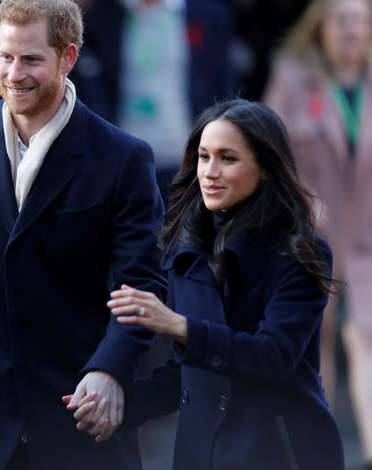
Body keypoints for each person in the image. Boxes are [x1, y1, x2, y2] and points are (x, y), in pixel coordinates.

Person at [0, 1, 167, 469]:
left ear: (68, 58)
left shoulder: (123, 159)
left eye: (31, 60)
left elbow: (140, 286)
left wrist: (110, 369)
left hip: (80, 418)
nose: (14, 73)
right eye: (5, 57)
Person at [69, 100, 345, 469]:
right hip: (201, 453)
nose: (210, 172)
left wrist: (178, 326)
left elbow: (273, 358)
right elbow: (192, 377)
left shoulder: (298, 252)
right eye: (203, 157)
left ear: (264, 169)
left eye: (227, 158)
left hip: (278, 452)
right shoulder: (187, 247)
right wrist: (117, 410)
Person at [263, 1, 372, 466]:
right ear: (322, 28)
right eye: (343, 21)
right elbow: (265, 146)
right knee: (316, 336)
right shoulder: (292, 78)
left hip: (368, 236)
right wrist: (301, 202)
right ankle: (317, 451)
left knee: (367, 335)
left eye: (362, 21)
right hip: (310, 232)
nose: (353, 32)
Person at [72, 0, 236, 203]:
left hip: (188, 162)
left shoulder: (207, 13)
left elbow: (222, 87)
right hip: (122, 164)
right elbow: (90, 90)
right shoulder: (101, 14)